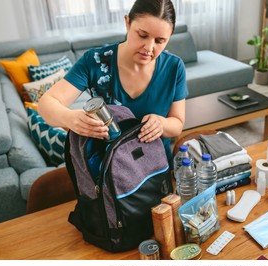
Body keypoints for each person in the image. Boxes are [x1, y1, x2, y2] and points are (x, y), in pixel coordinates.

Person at [38, 0, 188, 165]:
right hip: (109, 172)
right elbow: (46, 103)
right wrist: (70, 118)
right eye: (142, 35)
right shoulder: (94, 61)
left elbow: (177, 123)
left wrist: (162, 123)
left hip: (155, 169)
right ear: (127, 23)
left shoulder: (174, 67)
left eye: (159, 41)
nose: (149, 47)